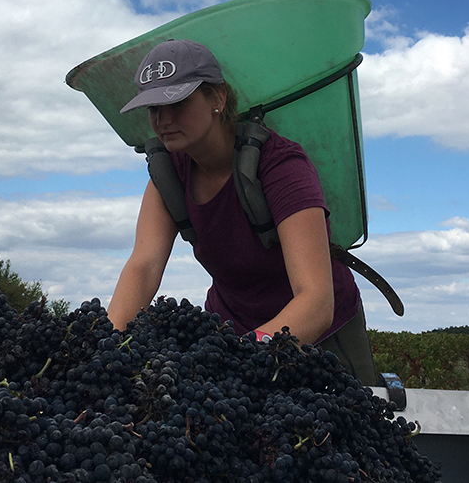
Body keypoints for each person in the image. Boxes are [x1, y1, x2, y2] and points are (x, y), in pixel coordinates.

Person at [108, 39, 377, 385]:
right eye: (154, 108)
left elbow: (316, 300)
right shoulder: (169, 176)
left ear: (218, 98)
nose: (163, 120)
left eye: (177, 103)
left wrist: (239, 362)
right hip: (231, 331)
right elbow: (143, 267)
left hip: (323, 336)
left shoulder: (281, 166)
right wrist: (110, 346)